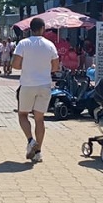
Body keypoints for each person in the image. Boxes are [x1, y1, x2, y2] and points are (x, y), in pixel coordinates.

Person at [12, 18, 60, 163]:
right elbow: (55, 67)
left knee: (22, 114)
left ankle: (30, 140)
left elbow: (15, 64)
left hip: (27, 84)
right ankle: (38, 152)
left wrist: (26, 68)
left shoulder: (23, 44)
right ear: (43, 28)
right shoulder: (50, 45)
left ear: (30, 29)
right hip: (45, 84)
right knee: (40, 119)